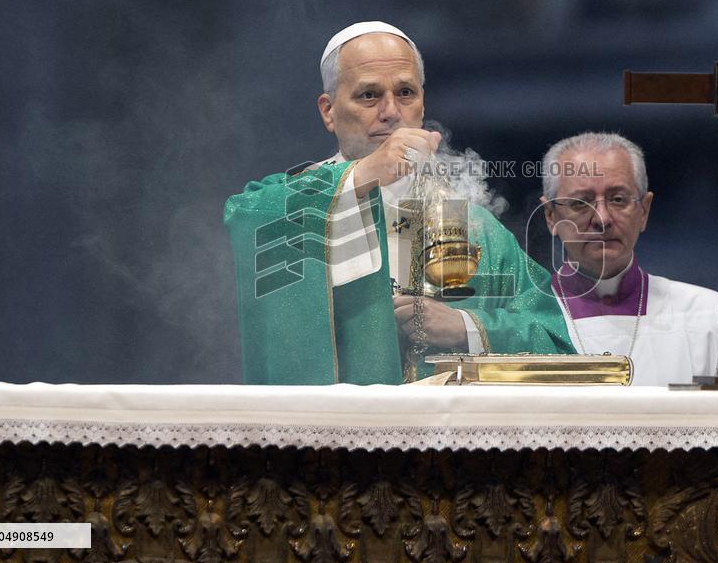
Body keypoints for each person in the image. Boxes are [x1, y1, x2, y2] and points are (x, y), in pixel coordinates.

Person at [225, 21, 572, 385]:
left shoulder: (473, 227)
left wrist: (467, 327)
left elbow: (555, 343)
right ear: (328, 111)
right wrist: (363, 175)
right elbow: (245, 214)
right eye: (369, 95)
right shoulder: (294, 204)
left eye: (405, 92)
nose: (391, 112)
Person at [540, 132, 718, 385]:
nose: (602, 218)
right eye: (580, 203)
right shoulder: (518, 320)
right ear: (550, 216)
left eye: (618, 199)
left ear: (644, 210)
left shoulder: (710, 317)